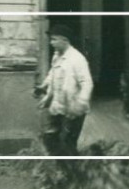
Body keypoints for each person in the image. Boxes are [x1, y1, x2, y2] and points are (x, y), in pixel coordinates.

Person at [35, 24, 93, 157]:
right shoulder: (57, 56)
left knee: (68, 144)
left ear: (64, 40)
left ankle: (72, 172)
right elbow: (52, 74)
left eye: (54, 39)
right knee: (51, 138)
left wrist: (81, 103)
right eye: (51, 39)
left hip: (72, 109)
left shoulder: (77, 59)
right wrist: (43, 86)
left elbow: (87, 82)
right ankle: (57, 169)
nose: (51, 43)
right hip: (57, 106)